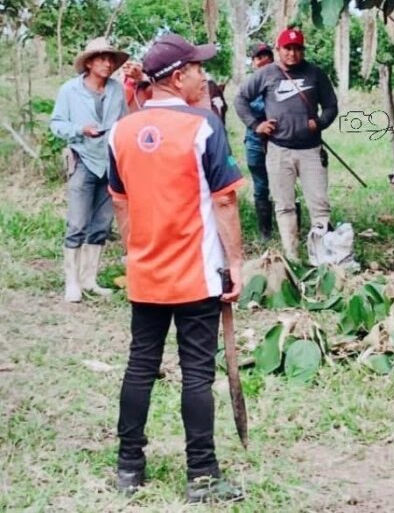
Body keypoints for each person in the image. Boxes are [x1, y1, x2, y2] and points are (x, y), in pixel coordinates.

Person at [107, 32, 245, 503]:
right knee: (197, 374)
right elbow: (225, 202)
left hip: (144, 272)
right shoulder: (203, 125)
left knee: (140, 366)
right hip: (195, 273)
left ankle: (129, 468)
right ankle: (202, 475)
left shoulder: (122, 130)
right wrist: (237, 263)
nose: (203, 75)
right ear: (179, 75)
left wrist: (138, 253)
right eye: (198, 68)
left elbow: (120, 204)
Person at [234, 28, 338, 259]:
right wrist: (256, 125)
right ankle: (292, 256)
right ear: (278, 50)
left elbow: (331, 105)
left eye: (297, 49)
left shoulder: (315, 74)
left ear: (302, 50)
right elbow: (240, 99)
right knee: (284, 205)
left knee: (319, 205)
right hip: (278, 150)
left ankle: (322, 257)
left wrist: (320, 123)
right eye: (287, 48)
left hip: (311, 150)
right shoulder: (266, 74)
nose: (292, 53)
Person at [50, 37, 129, 302]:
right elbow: (57, 124)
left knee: (101, 224)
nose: (107, 64)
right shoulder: (70, 90)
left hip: (110, 162)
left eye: (110, 59)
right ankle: (71, 282)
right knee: (77, 223)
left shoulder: (116, 90)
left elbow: (125, 123)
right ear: (89, 62)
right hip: (83, 159)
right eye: (102, 59)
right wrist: (79, 129)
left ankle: (89, 279)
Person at [243, 42, 275, 241]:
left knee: (285, 184)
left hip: (280, 140)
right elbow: (243, 106)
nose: (263, 60)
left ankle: (290, 226)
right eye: (258, 57)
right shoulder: (249, 84)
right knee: (261, 185)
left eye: (266, 56)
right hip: (255, 140)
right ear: (253, 62)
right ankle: (265, 232)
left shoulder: (281, 79)